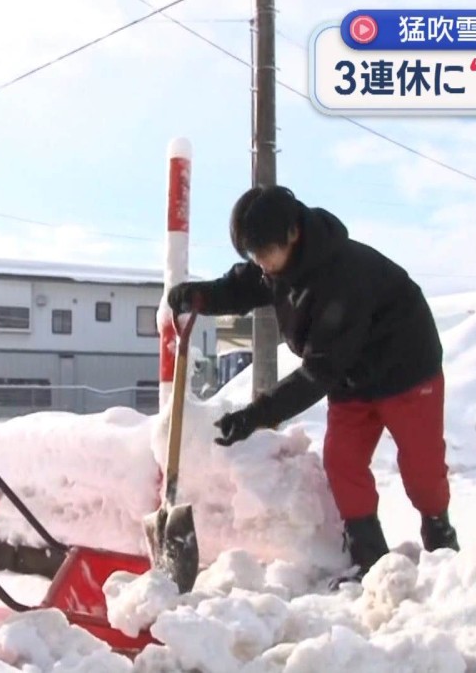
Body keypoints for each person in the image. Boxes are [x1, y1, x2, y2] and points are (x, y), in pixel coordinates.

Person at [167, 185, 457, 583]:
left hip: (405, 369)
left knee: (421, 466)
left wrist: (257, 414)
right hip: (350, 374)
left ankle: (440, 534)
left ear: (293, 233)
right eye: (253, 255)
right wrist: (198, 296)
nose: (261, 264)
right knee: (342, 461)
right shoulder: (276, 266)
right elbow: (240, 287)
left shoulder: (343, 277)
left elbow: (318, 372)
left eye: (264, 253)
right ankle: (369, 559)